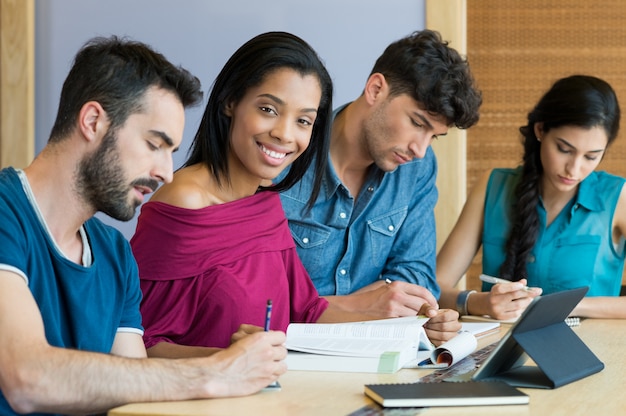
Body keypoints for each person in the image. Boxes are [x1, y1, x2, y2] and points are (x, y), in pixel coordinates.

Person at [0, 36, 288, 416]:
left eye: (171, 153)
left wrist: (232, 359)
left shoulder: (116, 255)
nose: (166, 174)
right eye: (155, 144)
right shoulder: (7, 214)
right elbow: (27, 378)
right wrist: (213, 373)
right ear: (92, 122)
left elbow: (134, 391)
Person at [130, 31, 455, 359]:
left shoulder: (266, 201)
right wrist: (228, 359)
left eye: (303, 120)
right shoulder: (184, 202)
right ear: (231, 101)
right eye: (269, 109)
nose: (285, 134)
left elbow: (307, 312)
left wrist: (406, 331)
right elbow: (138, 346)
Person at [277, 29, 482, 341]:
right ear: (375, 89)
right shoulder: (283, 156)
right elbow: (255, 297)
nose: (420, 149)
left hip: (374, 349)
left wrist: (386, 299)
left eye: (434, 136)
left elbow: (418, 276)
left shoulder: (418, 168)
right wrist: (354, 307)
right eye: (417, 123)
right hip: (283, 353)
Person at [436, 74, 626, 320]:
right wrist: (479, 303)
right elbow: (435, 287)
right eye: (564, 149)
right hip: (500, 352)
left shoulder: (617, 197)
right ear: (540, 130)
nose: (574, 169)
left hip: (591, 352)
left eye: (591, 157)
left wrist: (564, 305)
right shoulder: (492, 187)